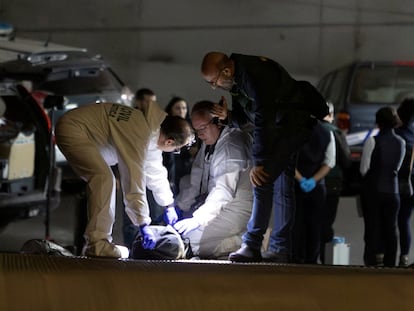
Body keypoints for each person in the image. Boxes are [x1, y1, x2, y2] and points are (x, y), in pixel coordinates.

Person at [201, 52, 329, 262]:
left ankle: (253, 244)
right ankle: (279, 249)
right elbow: (248, 117)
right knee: (282, 188)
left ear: (226, 70)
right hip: (284, 127)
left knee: (262, 179)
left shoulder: (253, 74)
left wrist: (260, 161)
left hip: (291, 126)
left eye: (214, 82)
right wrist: (228, 117)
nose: (215, 87)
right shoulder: (237, 78)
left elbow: (263, 117)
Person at [55, 101, 193, 258]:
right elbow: (133, 179)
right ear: (169, 142)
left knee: (104, 178)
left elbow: (155, 172)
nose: (172, 152)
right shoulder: (139, 132)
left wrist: (168, 204)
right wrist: (143, 223)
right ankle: (97, 244)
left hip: (79, 128)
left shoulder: (150, 129)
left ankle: (98, 242)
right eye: (175, 150)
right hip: (74, 129)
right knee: (104, 179)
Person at [163, 100, 253, 259]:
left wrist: (197, 220)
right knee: (177, 236)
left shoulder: (232, 145)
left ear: (218, 122)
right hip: (216, 206)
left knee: (187, 242)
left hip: (235, 208)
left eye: (203, 128)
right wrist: (179, 207)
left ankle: (240, 241)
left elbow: (223, 191)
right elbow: (195, 180)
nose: (200, 134)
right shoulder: (210, 142)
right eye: (196, 130)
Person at [360, 106, 405, 267]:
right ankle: (390, 264)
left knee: (372, 229)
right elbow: (397, 167)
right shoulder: (401, 142)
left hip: (374, 191)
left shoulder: (373, 141)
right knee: (391, 230)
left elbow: (364, 169)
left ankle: (371, 263)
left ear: (377, 121)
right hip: (393, 192)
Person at [292, 120, 335, 264]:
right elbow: (329, 162)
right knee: (315, 227)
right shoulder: (327, 133)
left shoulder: (294, 129)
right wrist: (313, 180)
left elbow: (287, 159)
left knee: (296, 225)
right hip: (317, 187)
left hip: (296, 186)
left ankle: (297, 259)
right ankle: (312, 261)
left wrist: (301, 179)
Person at [319, 102, 352, 263]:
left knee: (310, 221)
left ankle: (307, 260)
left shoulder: (308, 131)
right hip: (332, 183)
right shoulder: (336, 132)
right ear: (330, 115)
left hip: (311, 184)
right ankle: (326, 262)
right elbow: (346, 161)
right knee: (326, 223)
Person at [163, 96, 197, 196]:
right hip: (168, 164)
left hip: (185, 168)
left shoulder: (191, 127)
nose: (181, 111)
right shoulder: (165, 125)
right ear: (171, 109)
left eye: (184, 108)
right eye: (178, 108)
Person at [395, 98, 414, 267]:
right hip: (412, 182)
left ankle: (396, 256)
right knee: (406, 220)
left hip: (401, 184)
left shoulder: (398, 134)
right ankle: (406, 256)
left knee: (401, 220)